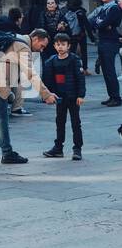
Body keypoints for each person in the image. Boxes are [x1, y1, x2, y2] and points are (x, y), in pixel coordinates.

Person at [0, 24, 56, 163]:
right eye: (42, 46)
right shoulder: (23, 46)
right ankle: (7, 153)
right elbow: (31, 74)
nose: (42, 50)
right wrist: (46, 94)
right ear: (36, 38)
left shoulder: (12, 36)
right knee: (1, 117)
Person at [42, 31, 86, 161]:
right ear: (54, 46)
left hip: (73, 97)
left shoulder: (74, 60)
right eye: (57, 44)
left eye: (63, 44)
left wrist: (81, 95)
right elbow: (48, 80)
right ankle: (58, 148)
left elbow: (80, 78)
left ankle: (77, 148)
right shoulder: (51, 61)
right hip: (59, 97)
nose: (60, 47)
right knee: (59, 122)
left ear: (68, 46)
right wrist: (48, 95)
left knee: (75, 123)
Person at [87, 0, 122, 106]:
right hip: (103, 40)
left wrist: (101, 23)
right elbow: (93, 22)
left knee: (110, 70)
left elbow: (106, 23)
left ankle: (116, 97)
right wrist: (101, 23)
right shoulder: (103, 8)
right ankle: (111, 96)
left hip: (110, 42)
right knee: (106, 71)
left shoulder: (114, 8)